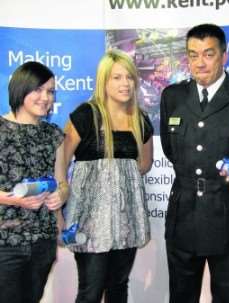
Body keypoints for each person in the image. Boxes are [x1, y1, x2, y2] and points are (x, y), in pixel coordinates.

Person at [160, 23, 229, 303]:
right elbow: (172, 151)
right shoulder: (172, 97)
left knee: (226, 295)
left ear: (225, 55)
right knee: (180, 296)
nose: (200, 63)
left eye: (208, 54)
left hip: (228, 214)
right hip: (183, 214)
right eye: (193, 55)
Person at [63, 49, 153, 303]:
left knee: (118, 287)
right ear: (103, 81)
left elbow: (144, 164)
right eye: (116, 77)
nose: (125, 83)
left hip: (127, 220)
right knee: (91, 290)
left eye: (129, 77)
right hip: (90, 221)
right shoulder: (85, 115)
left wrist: (120, 180)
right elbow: (61, 157)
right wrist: (63, 190)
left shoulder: (140, 120)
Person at [0, 61, 67, 303]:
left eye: (50, 91)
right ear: (21, 89)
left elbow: (62, 182)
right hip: (6, 241)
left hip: (42, 241)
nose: (45, 97)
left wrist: (61, 194)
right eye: (38, 90)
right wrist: (10, 198)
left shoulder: (53, 134)